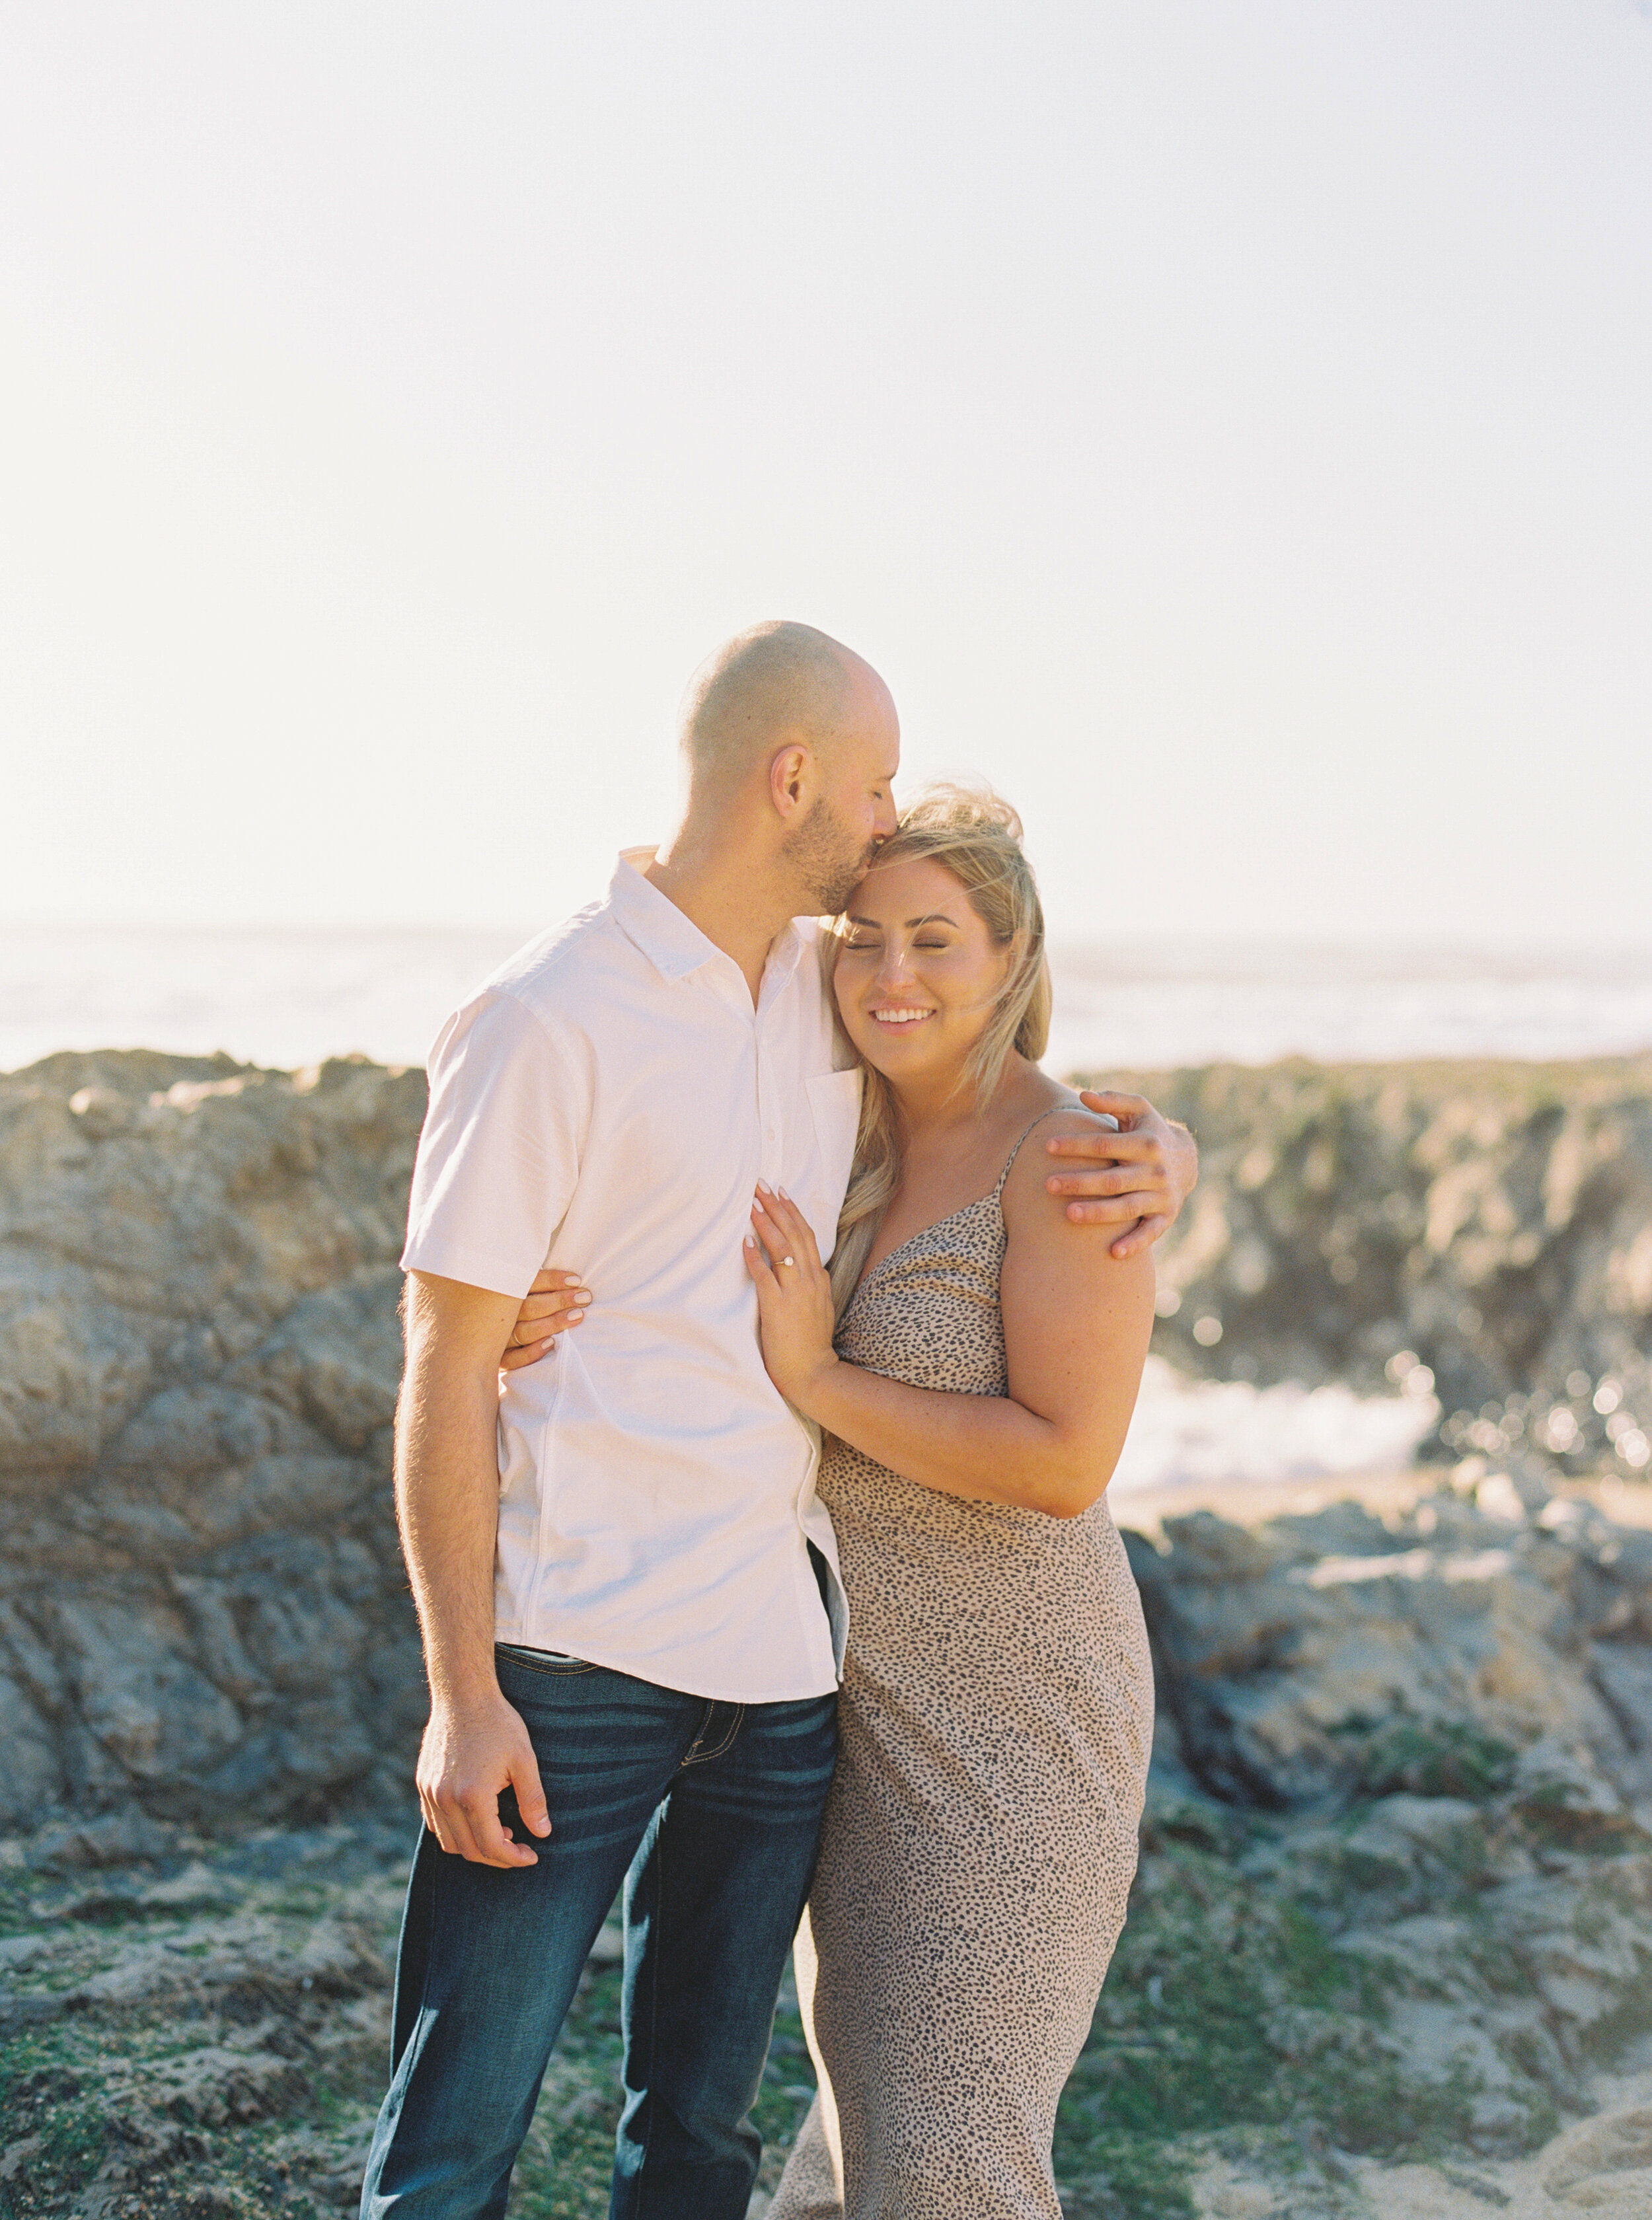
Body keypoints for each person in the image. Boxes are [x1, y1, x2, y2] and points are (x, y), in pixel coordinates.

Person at [364, 622, 1196, 2220]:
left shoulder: (820, 992)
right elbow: (441, 1356)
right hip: (577, 1663)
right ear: (792, 775)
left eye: (923, 921)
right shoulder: (550, 1014)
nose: (884, 831)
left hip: (788, 1677)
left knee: (703, 2143)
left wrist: (1171, 1155)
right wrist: (462, 1696)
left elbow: (1003, 1087)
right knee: (455, 2143)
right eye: (871, 786)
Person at [745, 785, 1156, 2220]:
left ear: (1013, 955)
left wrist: (818, 1379)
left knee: (944, 2167)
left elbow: (1061, 1465)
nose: (892, 976)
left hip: (1018, 1727)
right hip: (860, 1722)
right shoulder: (840, 1127)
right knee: (863, 2149)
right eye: (861, 938)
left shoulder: (1071, 1157)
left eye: (934, 939)